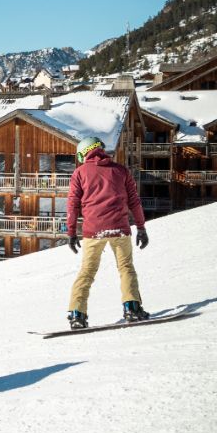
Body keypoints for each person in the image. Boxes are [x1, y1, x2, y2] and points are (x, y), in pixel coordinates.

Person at [66, 136, 150, 330]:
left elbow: (72, 205)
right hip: (119, 228)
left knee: (87, 272)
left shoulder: (80, 173)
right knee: (126, 268)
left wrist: (71, 232)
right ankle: (132, 308)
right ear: (100, 149)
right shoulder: (121, 170)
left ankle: (77, 314)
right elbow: (134, 201)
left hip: (93, 231)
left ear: (84, 153)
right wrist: (141, 228)